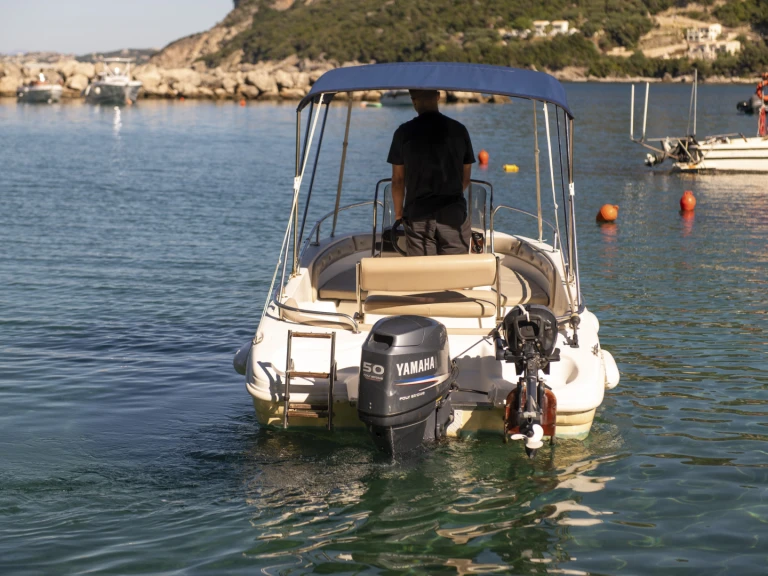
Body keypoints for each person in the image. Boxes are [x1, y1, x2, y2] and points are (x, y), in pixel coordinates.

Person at [387, 89, 475, 256]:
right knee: (454, 274)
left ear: (413, 101)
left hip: (418, 213)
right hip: (453, 215)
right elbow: (466, 177)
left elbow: (398, 180)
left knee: (423, 274)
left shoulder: (403, 133)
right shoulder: (459, 130)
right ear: (438, 97)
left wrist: (399, 213)